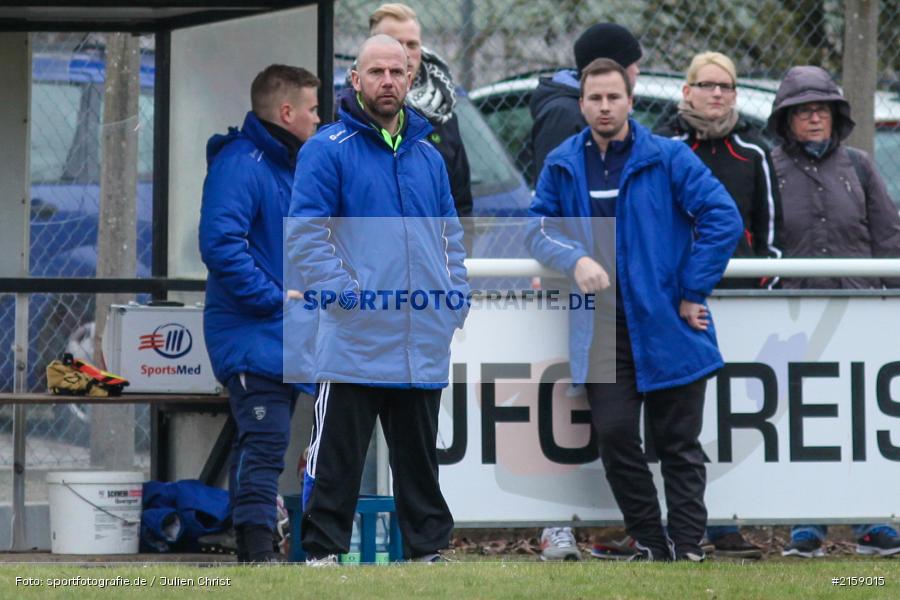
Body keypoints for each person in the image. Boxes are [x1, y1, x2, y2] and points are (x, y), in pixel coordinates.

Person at [526, 58, 742, 562]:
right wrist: (574, 258)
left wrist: (693, 290)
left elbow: (722, 216)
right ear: (581, 104)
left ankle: (688, 547)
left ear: (630, 101)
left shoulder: (667, 156)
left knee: (678, 446)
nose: (604, 107)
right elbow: (536, 228)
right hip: (600, 327)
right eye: (595, 99)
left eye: (613, 98)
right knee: (617, 437)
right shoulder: (563, 161)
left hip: (667, 321)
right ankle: (652, 542)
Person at [286, 34, 469, 565]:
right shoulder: (326, 149)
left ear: (410, 79)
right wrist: (347, 299)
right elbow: (305, 235)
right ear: (356, 80)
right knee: (338, 457)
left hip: (420, 339)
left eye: (397, 72)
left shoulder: (428, 156)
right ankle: (321, 554)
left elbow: (450, 235)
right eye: (377, 72)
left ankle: (428, 553)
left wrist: (454, 297)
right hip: (354, 339)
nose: (388, 81)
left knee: (419, 461)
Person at [766, 65, 900, 558]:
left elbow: (887, 237)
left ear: (836, 114)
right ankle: (808, 524)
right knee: (803, 417)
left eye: (821, 108)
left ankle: (872, 523)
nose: (814, 118)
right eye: (803, 111)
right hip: (795, 312)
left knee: (860, 416)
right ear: (786, 119)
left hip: (859, 307)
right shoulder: (771, 168)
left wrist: (891, 297)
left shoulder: (859, 167)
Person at [655, 51, 781, 559]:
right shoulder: (662, 151)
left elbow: (768, 241)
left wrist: (756, 294)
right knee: (678, 426)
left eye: (726, 87)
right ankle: (667, 526)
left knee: (734, 424)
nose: (717, 94)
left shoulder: (753, 155)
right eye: (707, 85)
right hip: (678, 311)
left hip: (738, 306)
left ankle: (726, 526)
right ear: (686, 92)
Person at [198, 64, 320, 563]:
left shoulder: (287, 165)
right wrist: (274, 298)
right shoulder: (241, 164)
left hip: (282, 336)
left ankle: (266, 543)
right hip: (253, 335)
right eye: (313, 109)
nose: (319, 119)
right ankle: (254, 553)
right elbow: (220, 245)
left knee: (269, 443)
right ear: (287, 112)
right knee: (264, 443)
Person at [366, 3, 474, 252]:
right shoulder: (347, 116)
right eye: (394, 42)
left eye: (412, 44)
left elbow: (461, 205)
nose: (404, 53)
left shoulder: (443, 113)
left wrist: (455, 267)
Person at [530, 22, 642, 183]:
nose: (637, 70)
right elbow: (555, 186)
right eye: (633, 63)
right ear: (613, 67)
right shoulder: (563, 114)